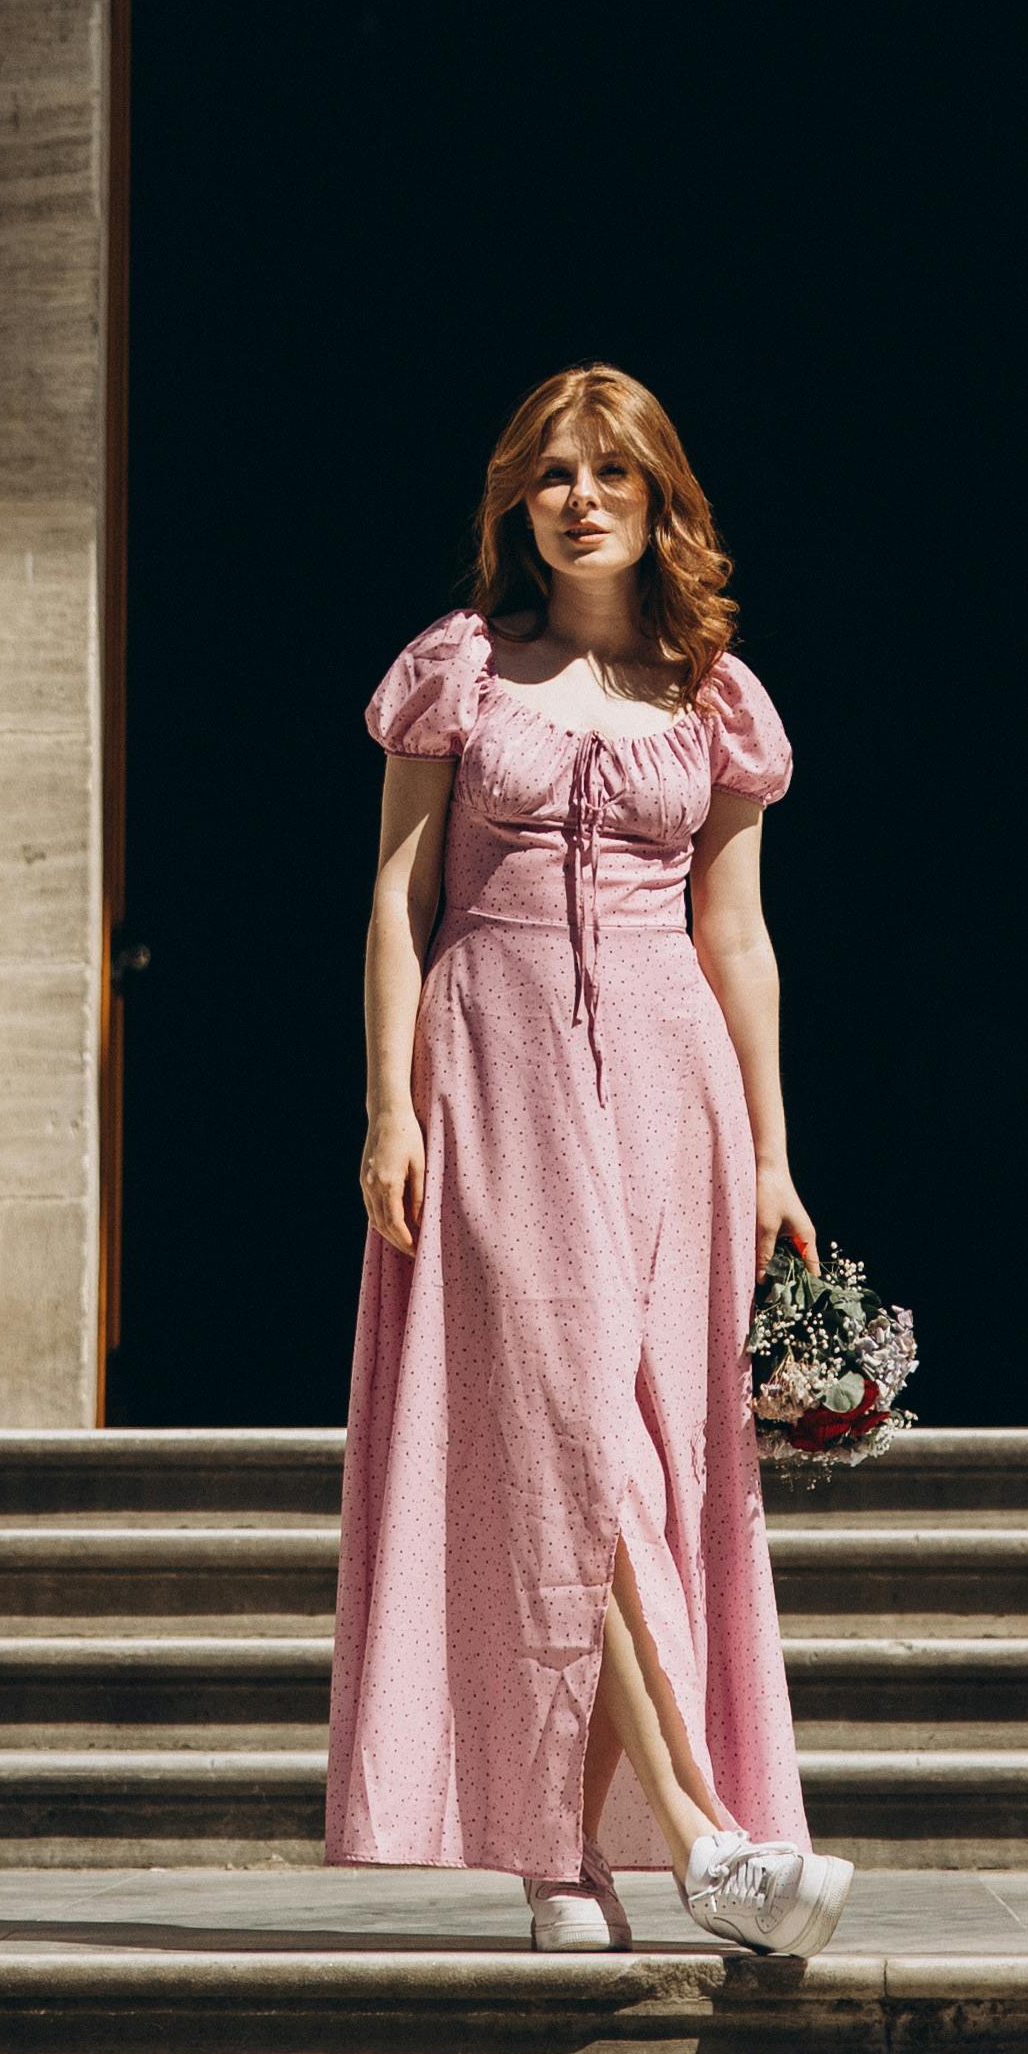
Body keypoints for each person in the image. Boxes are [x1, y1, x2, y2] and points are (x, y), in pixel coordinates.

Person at [324, 361, 855, 1960]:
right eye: (550, 474)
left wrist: (770, 1154)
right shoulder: (458, 675)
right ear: (516, 502)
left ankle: (572, 1863)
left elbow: (738, 934)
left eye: (608, 475)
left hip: (667, 1087)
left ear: (656, 499)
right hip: (490, 1071)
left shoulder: (714, 697)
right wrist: (386, 1107)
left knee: (650, 1460)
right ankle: (706, 1843)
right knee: (569, 1447)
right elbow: (394, 905)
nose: (577, 498)